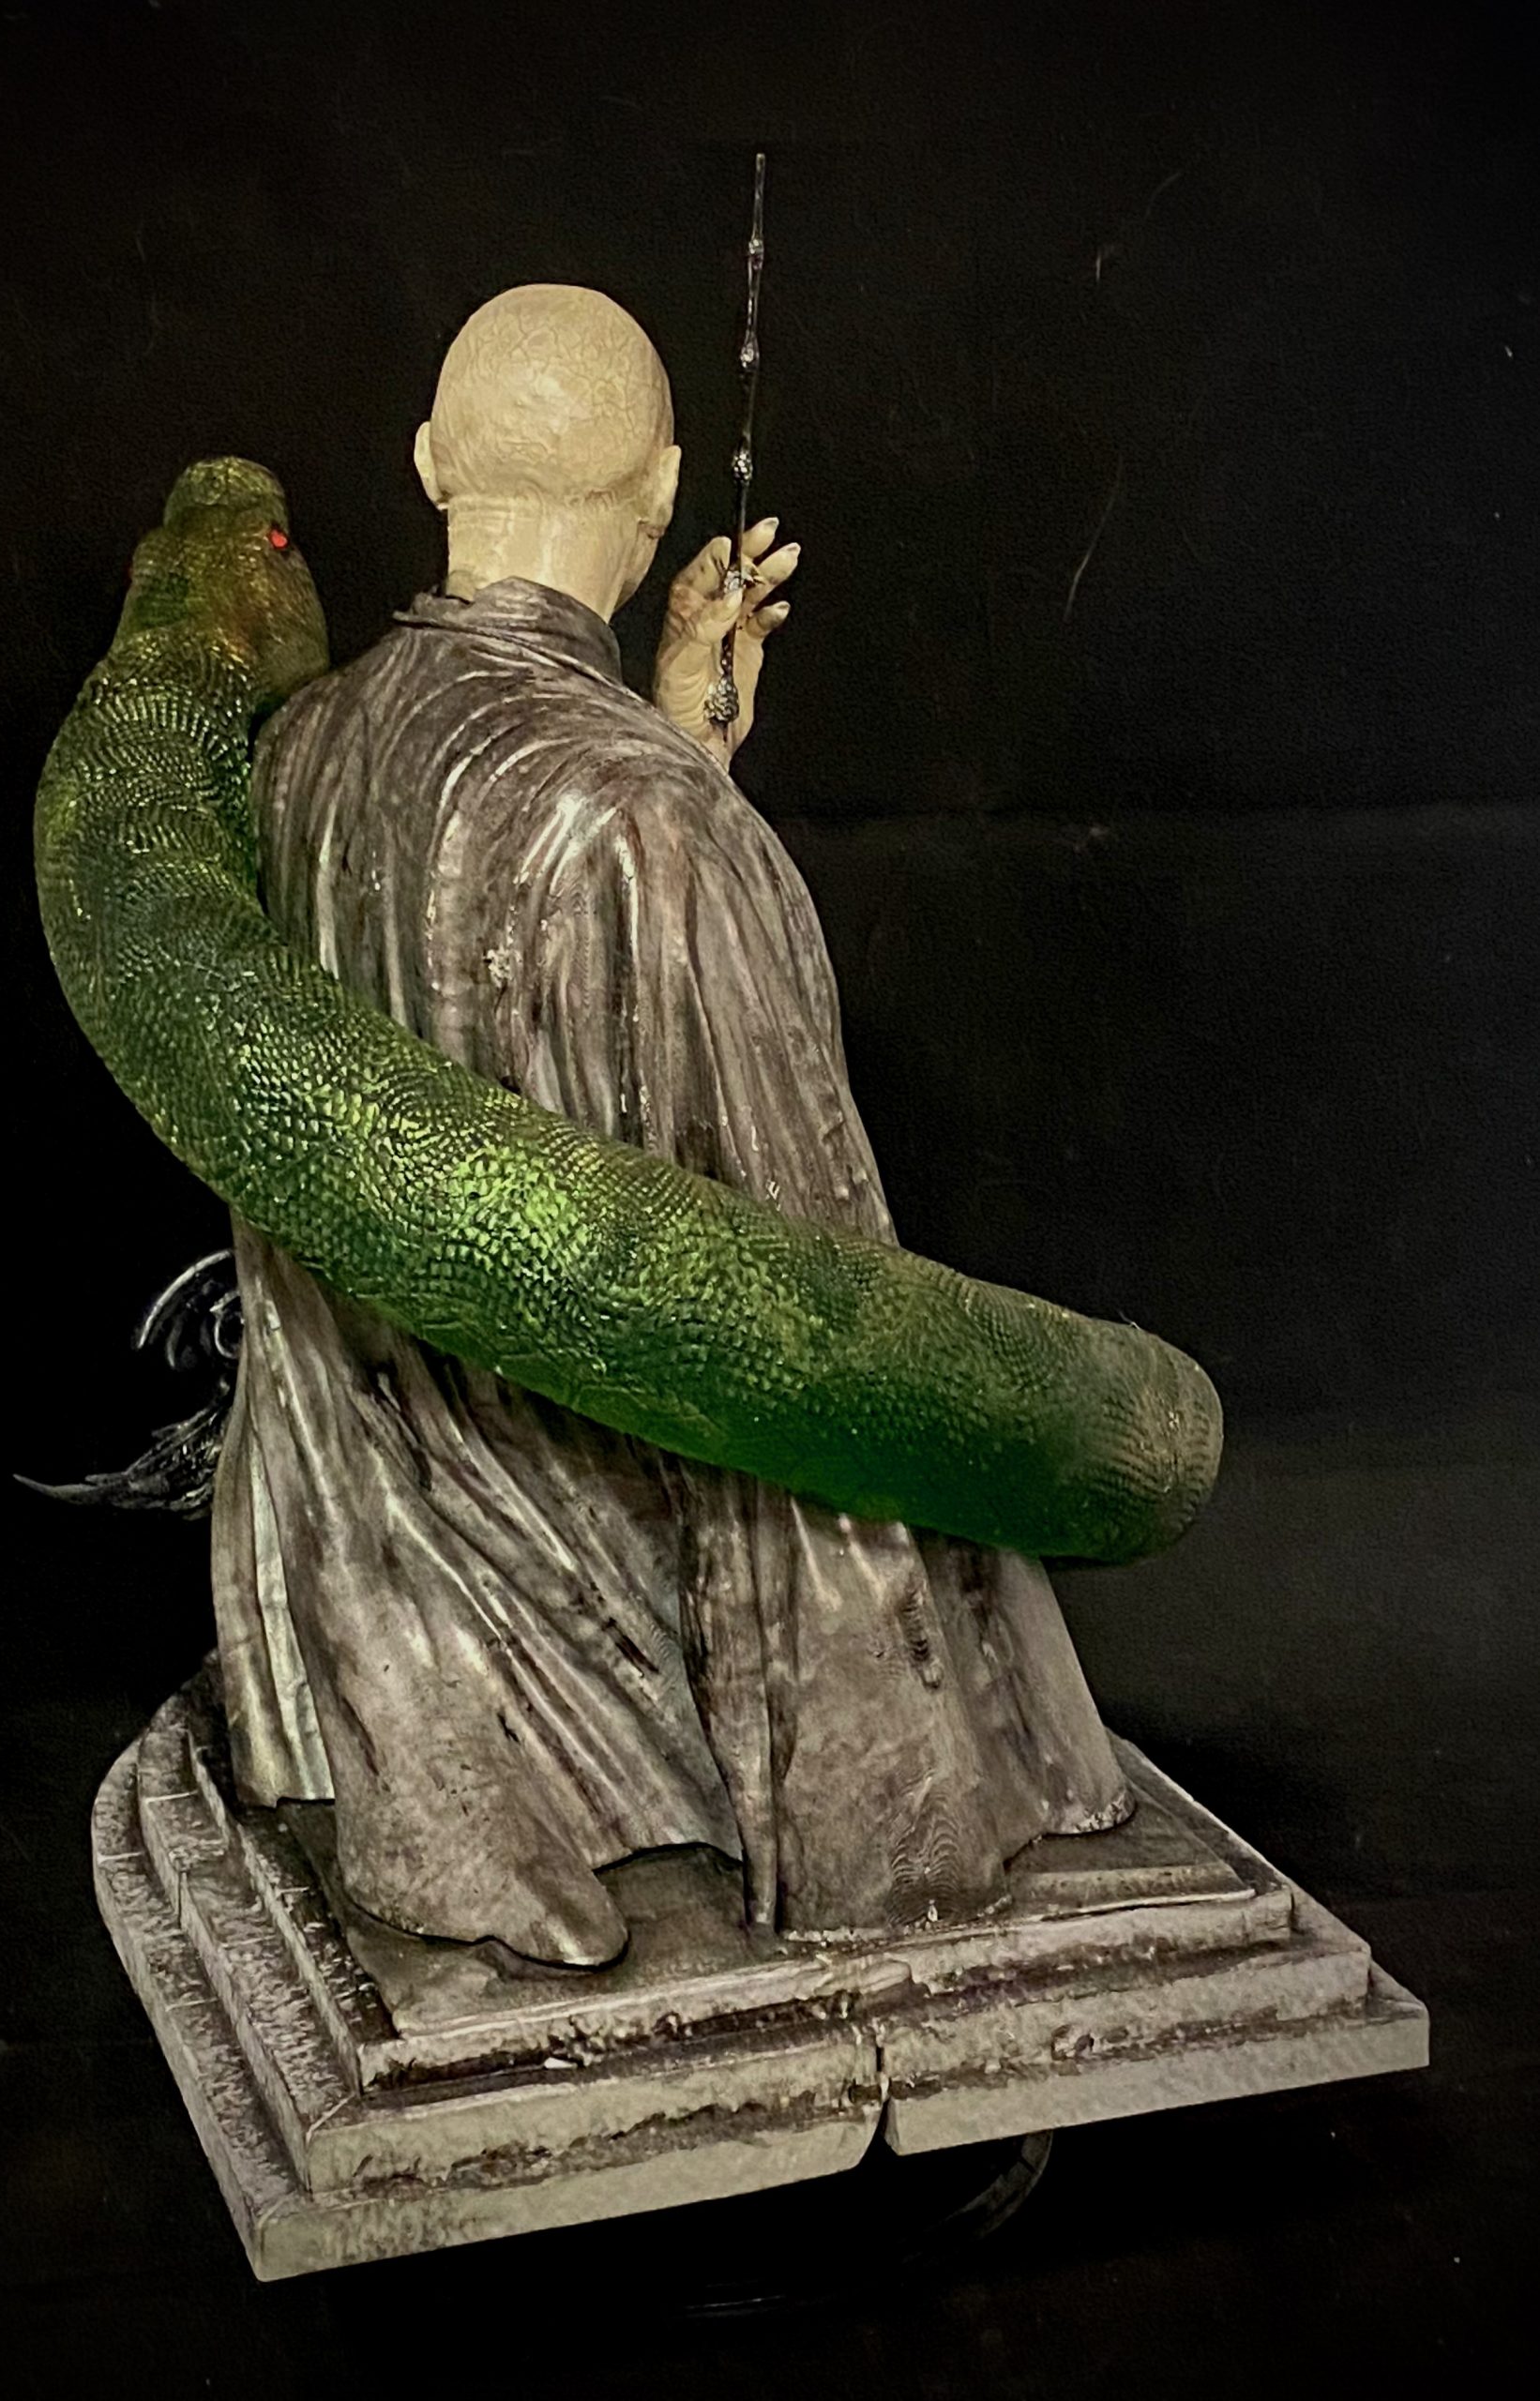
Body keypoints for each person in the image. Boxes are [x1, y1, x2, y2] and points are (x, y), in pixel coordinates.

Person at [212, 284, 1130, 1969]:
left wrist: (680, 740)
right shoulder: (644, 817)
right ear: (660, 491)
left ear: (426, 463)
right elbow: (807, 1321)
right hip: (596, 1639)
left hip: (386, 1600)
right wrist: (903, 1813)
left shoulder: (293, 755)